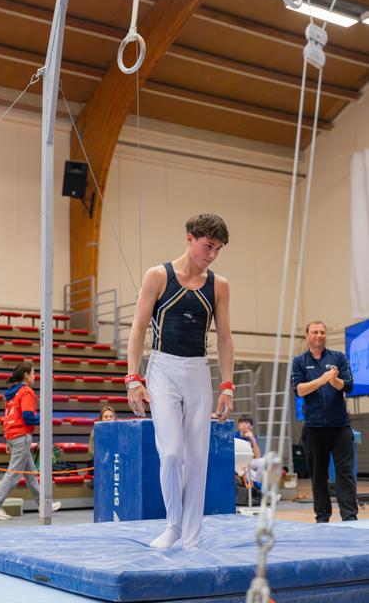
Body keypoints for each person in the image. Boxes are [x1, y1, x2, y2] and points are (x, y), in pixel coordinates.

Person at [127, 213, 235, 550]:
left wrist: (227, 385)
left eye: (217, 249)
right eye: (207, 246)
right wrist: (133, 377)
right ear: (190, 238)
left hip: (198, 371)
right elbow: (138, 327)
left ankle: (192, 536)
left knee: (197, 457)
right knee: (172, 453)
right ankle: (173, 524)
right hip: (163, 369)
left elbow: (225, 339)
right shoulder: (158, 276)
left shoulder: (219, 285)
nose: (212, 255)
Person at [291, 320, 358, 523]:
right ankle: (322, 517)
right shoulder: (299, 361)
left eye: (322, 332)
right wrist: (322, 379)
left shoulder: (338, 357)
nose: (319, 335)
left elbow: (348, 386)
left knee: (345, 474)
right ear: (307, 335)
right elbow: (299, 389)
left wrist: (334, 380)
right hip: (314, 429)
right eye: (315, 332)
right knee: (318, 476)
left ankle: (350, 517)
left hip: (340, 428)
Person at [0, 362, 61, 520]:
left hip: (12, 436)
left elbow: (11, 417)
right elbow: (28, 417)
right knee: (13, 474)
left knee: (31, 474)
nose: (35, 376)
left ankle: (43, 504)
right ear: (26, 375)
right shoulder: (26, 391)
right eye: (33, 373)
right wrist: (44, 418)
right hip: (21, 436)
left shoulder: (11, 393)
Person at [234, 414, 264, 487]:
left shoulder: (252, 437)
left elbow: (258, 457)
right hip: (238, 463)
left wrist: (253, 439)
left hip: (249, 462)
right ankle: (261, 489)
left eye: (246, 423)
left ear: (251, 427)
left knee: (263, 462)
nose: (244, 425)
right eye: (241, 423)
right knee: (249, 473)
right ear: (238, 426)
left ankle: (259, 487)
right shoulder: (234, 436)